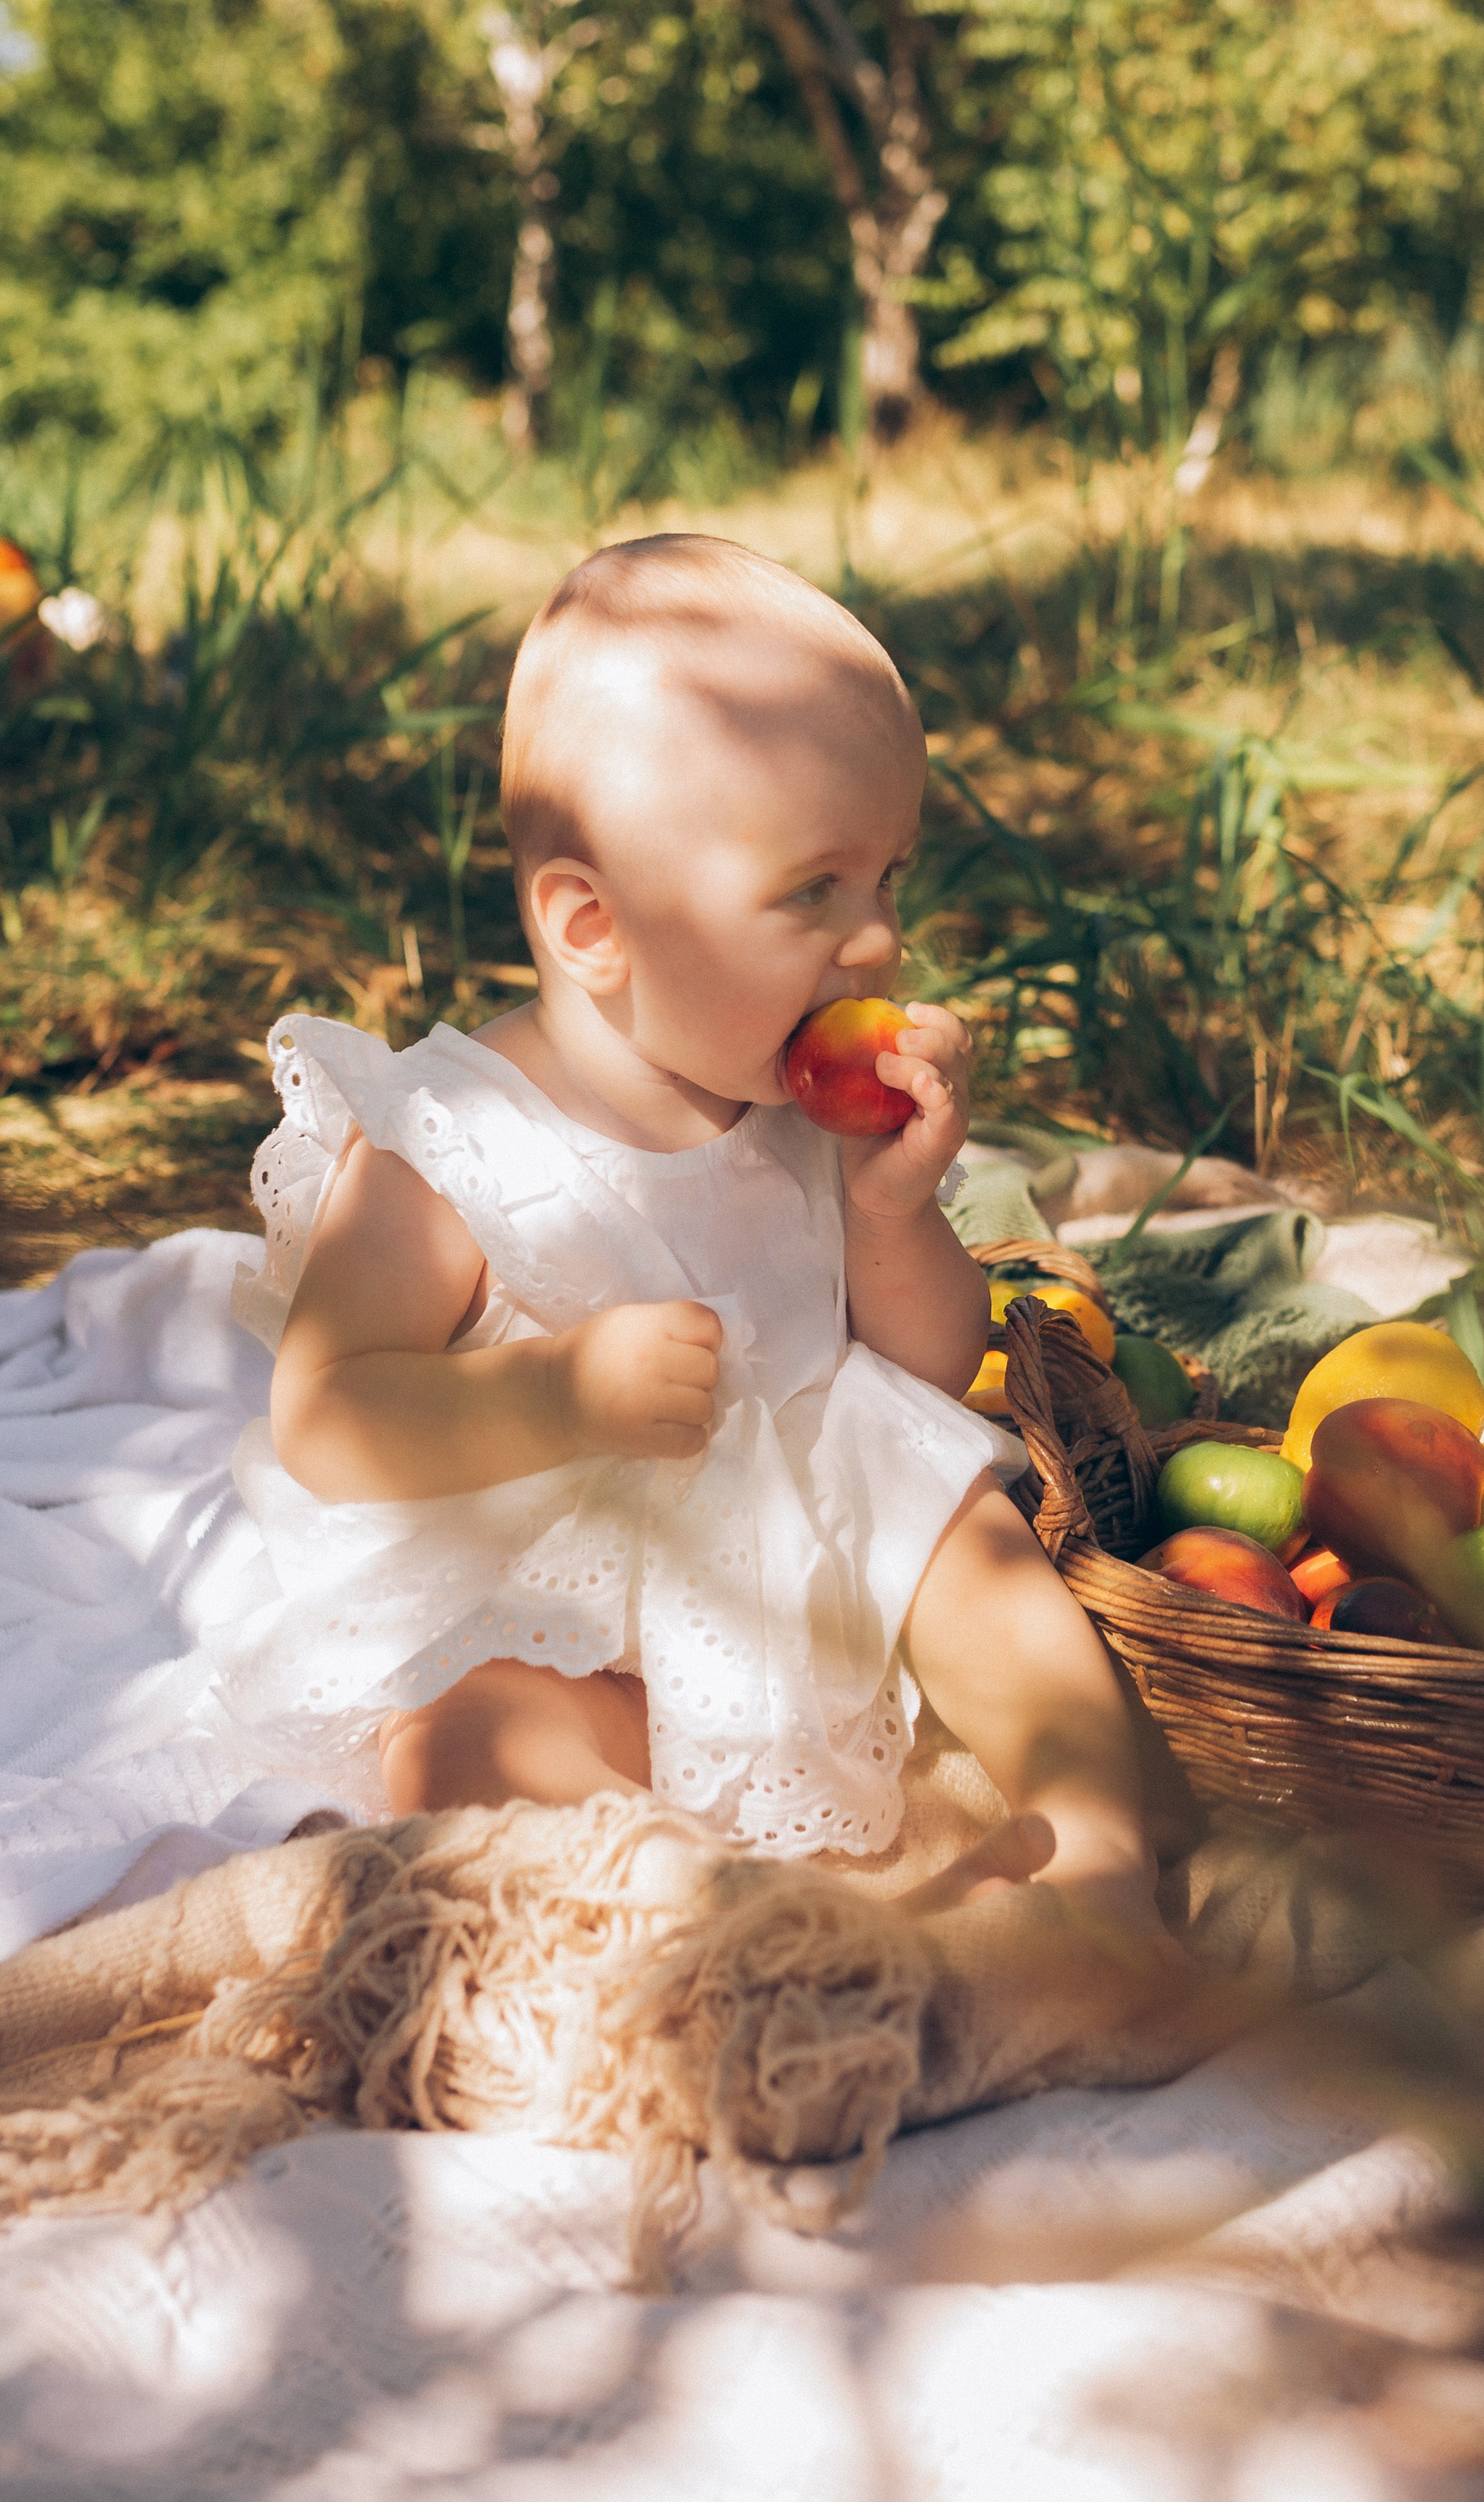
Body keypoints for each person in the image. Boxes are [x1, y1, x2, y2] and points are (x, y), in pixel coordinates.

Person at [224, 534, 1172, 1950]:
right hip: (561, 1592)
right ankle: (700, 1904)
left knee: (962, 1526)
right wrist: (554, 1392)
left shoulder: (786, 1100)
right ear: (591, 924)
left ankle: (1095, 1837)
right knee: (456, 1744)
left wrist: (894, 1207)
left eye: (888, 884)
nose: (873, 948)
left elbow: (924, 1367)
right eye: (814, 892)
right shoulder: (450, 1139)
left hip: (797, 1571)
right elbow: (326, 1411)